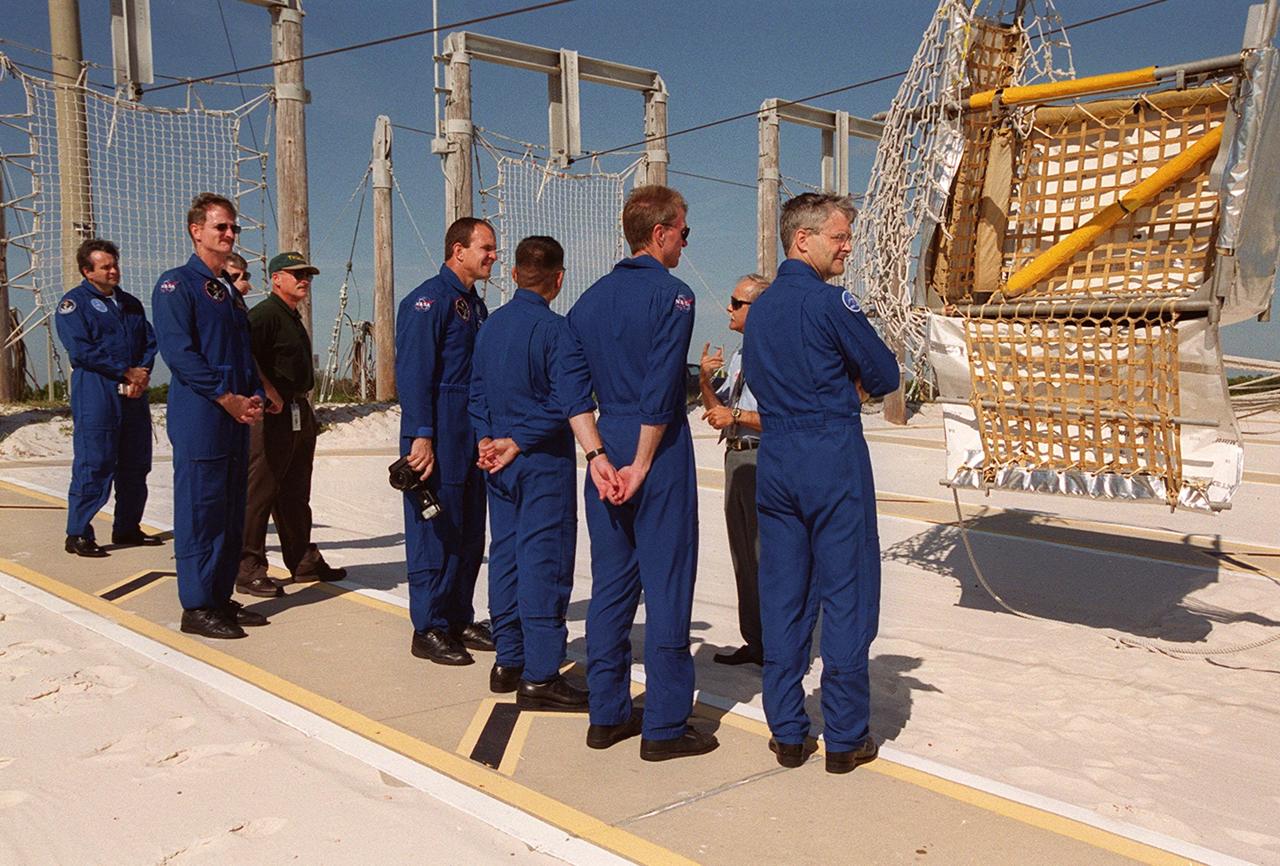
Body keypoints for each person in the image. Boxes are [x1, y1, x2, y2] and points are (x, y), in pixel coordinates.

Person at [743, 193, 899, 773]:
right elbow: (885, 374)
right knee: (847, 594)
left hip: (777, 453)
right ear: (801, 239)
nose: (848, 246)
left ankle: (787, 731)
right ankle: (844, 736)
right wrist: (846, 387)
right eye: (839, 236)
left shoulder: (759, 311)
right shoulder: (833, 303)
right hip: (830, 451)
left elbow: (756, 378)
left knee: (783, 595)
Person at [565, 185, 718, 761]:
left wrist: (597, 457)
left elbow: (573, 392)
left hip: (604, 442)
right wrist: (641, 463)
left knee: (611, 587)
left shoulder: (585, 303)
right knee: (668, 584)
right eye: (683, 231)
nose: (685, 240)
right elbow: (660, 388)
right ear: (660, 233)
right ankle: (664, 726)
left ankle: (605, 714)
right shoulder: (673, 296)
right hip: (655, 448)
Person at [469, 235, 621, 711]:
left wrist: (487, 441)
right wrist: (519, 441)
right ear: (558, 279)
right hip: (540, 462)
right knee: (545, 565)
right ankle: (540, 673)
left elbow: (475, 393)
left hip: (497, 460)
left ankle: (508, 659)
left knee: (506, 556)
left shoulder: (489, 327)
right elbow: (567, 401)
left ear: (514, 275)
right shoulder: (558, 332)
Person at [152, 192, 268, 640]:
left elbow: (242, 354)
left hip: (235, 417)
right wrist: (227, 397)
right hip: (203, 415)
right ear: (196, 230)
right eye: (221, 227)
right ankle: (197, 605)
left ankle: (220, 597)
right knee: (201, 513)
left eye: (234, 228)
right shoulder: (176, 284)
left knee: (229, 512)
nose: (229, 234)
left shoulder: (226, 292)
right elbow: (180, 354)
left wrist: (254, 395)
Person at [395, 217, 497, 665]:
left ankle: (457, 615)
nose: (493, 255)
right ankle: (429, 626)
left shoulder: (474, 307)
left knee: (468, 528)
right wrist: (421, 435)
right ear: (459, 250)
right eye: (486, 248)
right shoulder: (427, 301)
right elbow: (414, 374)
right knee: (434, 529)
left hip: (470, 431)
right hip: (437, 426)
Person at [236, 252, 347, 598]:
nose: (304, 280)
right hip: (273, 413)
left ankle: (302, 560)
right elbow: (243, 355)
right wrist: (266, 392)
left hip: (298, 409)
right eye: (296, 274)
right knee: (260, 491)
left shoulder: (290, 315)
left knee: (295, 491)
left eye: (308, 275)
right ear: (276, 279)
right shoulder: (265, 314)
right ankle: (248, 567)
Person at [55, 238, 160, 557]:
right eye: (106, 266)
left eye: (115, 264)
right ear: (87, 272)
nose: (114, 271)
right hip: (97, 391)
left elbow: (149, 340)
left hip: (133, 393)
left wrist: (141, 372)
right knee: (95, 462)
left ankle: (128, 527)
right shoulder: (74, 304)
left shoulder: (130, 304)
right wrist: (124, 371)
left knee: (135, 462)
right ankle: (79, 532)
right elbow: (82, 349)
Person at [698, 273, 769, 667]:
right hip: (737, 457)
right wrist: (706, 380)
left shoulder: (776, 353)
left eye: (736, 303)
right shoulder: (743, 354)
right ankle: (755, 641)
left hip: (761, 458)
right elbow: (717, 411)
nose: (729, 308)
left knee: (764, 555)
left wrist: (736, 414)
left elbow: (783, 417)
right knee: (742, 555)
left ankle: (775, 644)